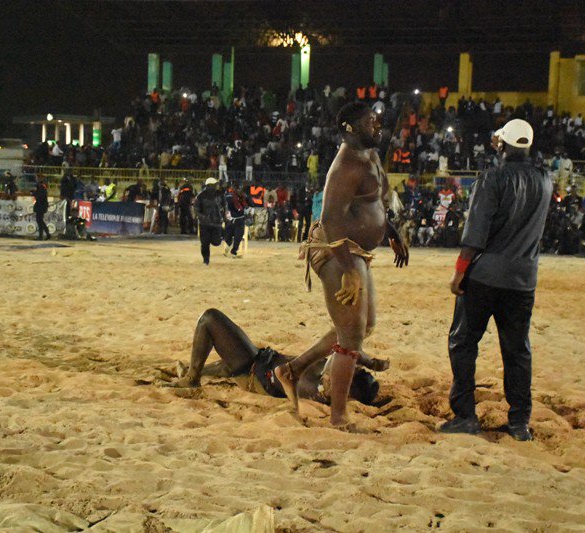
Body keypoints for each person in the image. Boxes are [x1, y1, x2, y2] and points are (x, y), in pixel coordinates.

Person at [274, 102, 409, 429]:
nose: (377, 125)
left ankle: (291, 370)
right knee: (351, 335)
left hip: (355, 251)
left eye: (377, 119)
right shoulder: (346, 165)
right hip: (337, 250)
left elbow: (374, 203)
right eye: (370, 121)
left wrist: (389, 231)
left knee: (363, 325)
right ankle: (337, 417)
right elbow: (331, 221)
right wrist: (348, 269)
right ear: (350, 127)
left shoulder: (371, 156)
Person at [443, 119, 552, 442]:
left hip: (485, 276)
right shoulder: (544, 180)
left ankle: (465, 416)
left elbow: (476, 233)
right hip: (523, 279)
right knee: (517, 350)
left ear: (502, 145)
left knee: (463, 342)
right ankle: (520, 422)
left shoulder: (492, 179)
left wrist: (459, 272)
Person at [167, 309, 381, 408]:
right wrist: (367, 361)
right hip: (261, 357)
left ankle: (191, 380)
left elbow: (340, 335)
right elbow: (342, 346)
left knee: (209, 319)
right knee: (218, 364)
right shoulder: (331, 378)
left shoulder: (322, 391)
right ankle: (197, 371)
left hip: (250, 368)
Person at [194, 177, 225, 265]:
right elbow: (196, 210)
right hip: (205, 224)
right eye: (215, 185)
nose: (216, 186)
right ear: (209, 185)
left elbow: (224, 205)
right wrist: (202, 217)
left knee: (216, 242)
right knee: (204, 244)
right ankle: (206, 260)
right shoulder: (200, 196)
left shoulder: (220, 194)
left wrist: (224, 217)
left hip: (217, 222)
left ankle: (220, 235)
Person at [223, 182, 247, 257]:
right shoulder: (230, 196)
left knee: (238, 236)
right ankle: (229, 247)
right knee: (228, 235)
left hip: (240, 219)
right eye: (239, 189)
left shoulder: (242, 197)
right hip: (232, 219)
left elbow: (247, 205)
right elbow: (233, 208)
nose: (241, 191)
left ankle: (233, 252)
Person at [32, 176, 52, 241]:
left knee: (39, 221)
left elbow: (39, 197)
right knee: (40, 221)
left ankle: (41, 236)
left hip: (40, 206)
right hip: (41, 206)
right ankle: (46, 234)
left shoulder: (42, 189)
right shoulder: (42, 188)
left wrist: (33, 193)